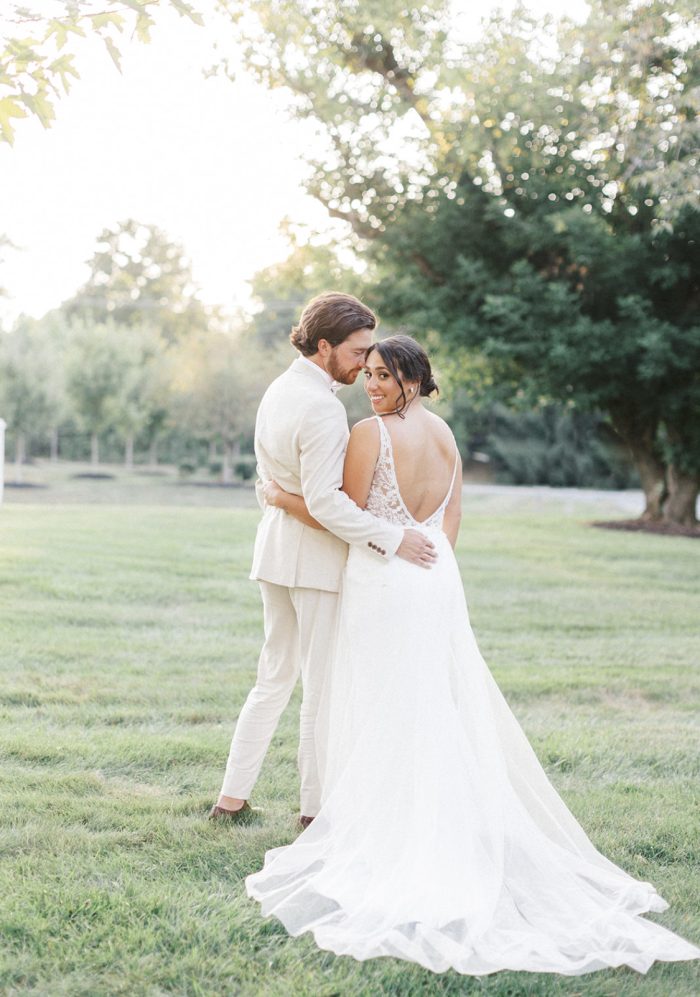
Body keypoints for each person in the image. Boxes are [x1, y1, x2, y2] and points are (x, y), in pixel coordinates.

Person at [245, 334, 700, 976]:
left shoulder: (369, 435)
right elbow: (450, 520)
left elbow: (339, 512)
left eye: (383, 376)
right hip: (436, 580)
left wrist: (282, 498)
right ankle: (435, 824)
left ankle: (393, 837)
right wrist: (431, 566)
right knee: (430, 702)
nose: (371, 386)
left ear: (411, 380)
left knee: (381, 706)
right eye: (368, 373)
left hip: (383, 579)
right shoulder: (448, 436)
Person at [210, 294, 437, 827]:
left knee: (273, 679)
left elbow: (273, 481)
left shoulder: (278, 390)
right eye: (357, 352)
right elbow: (328, 501)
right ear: (324, 345)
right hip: (313, 565)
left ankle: (231, 800)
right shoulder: (322, 407)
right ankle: (313, 815)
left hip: (275, 553)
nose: (364, 364)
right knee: (319, 691)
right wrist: (391, 538)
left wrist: (279, 500)